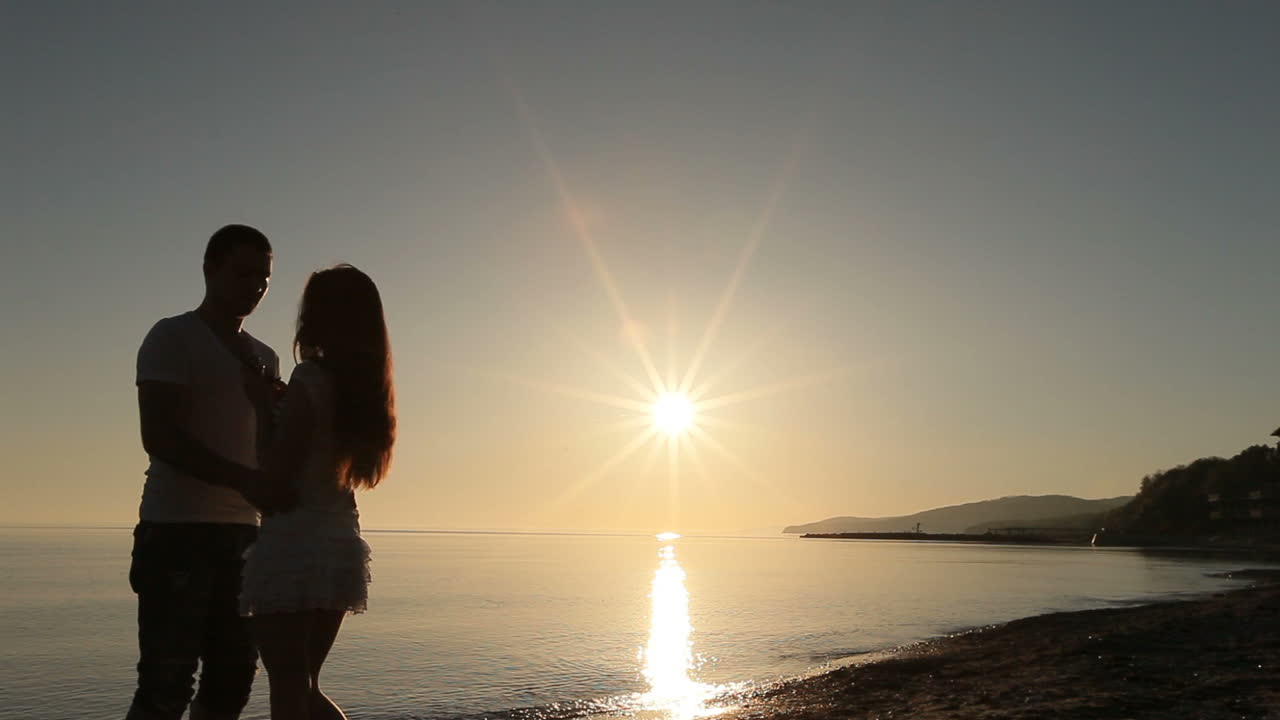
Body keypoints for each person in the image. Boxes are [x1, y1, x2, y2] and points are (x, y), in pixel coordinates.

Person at [128, 224, 282, 720]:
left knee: (233, 682)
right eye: (243, 274)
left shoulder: (265, 358)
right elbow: (161, 437)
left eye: (264, 277)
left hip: (245, 538)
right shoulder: (172, 337)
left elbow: (271, 448)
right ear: (209, 270)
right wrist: (244, 479)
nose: (255, 287)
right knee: (165, 685)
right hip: (176, 532)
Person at [239, 264, 396, 720]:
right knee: (304, 685)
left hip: (292, 545)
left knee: (289, 690)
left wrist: (259, 409)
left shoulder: (310, 380)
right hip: (338, 544)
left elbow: (275, 476)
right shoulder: (362, 393)